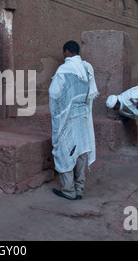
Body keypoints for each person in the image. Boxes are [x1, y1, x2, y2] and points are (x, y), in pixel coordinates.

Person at [49, 40, 98, 200]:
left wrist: (57, 114)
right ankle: (79, 190)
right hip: (82, 117)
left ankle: (68, 191)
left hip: (68, 118)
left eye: (64, 52)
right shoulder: (86, 68)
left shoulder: (64, 70)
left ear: (67, 51)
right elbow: (91, 92)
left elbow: (55, 94)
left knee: (65, 152)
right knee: (81, 152)